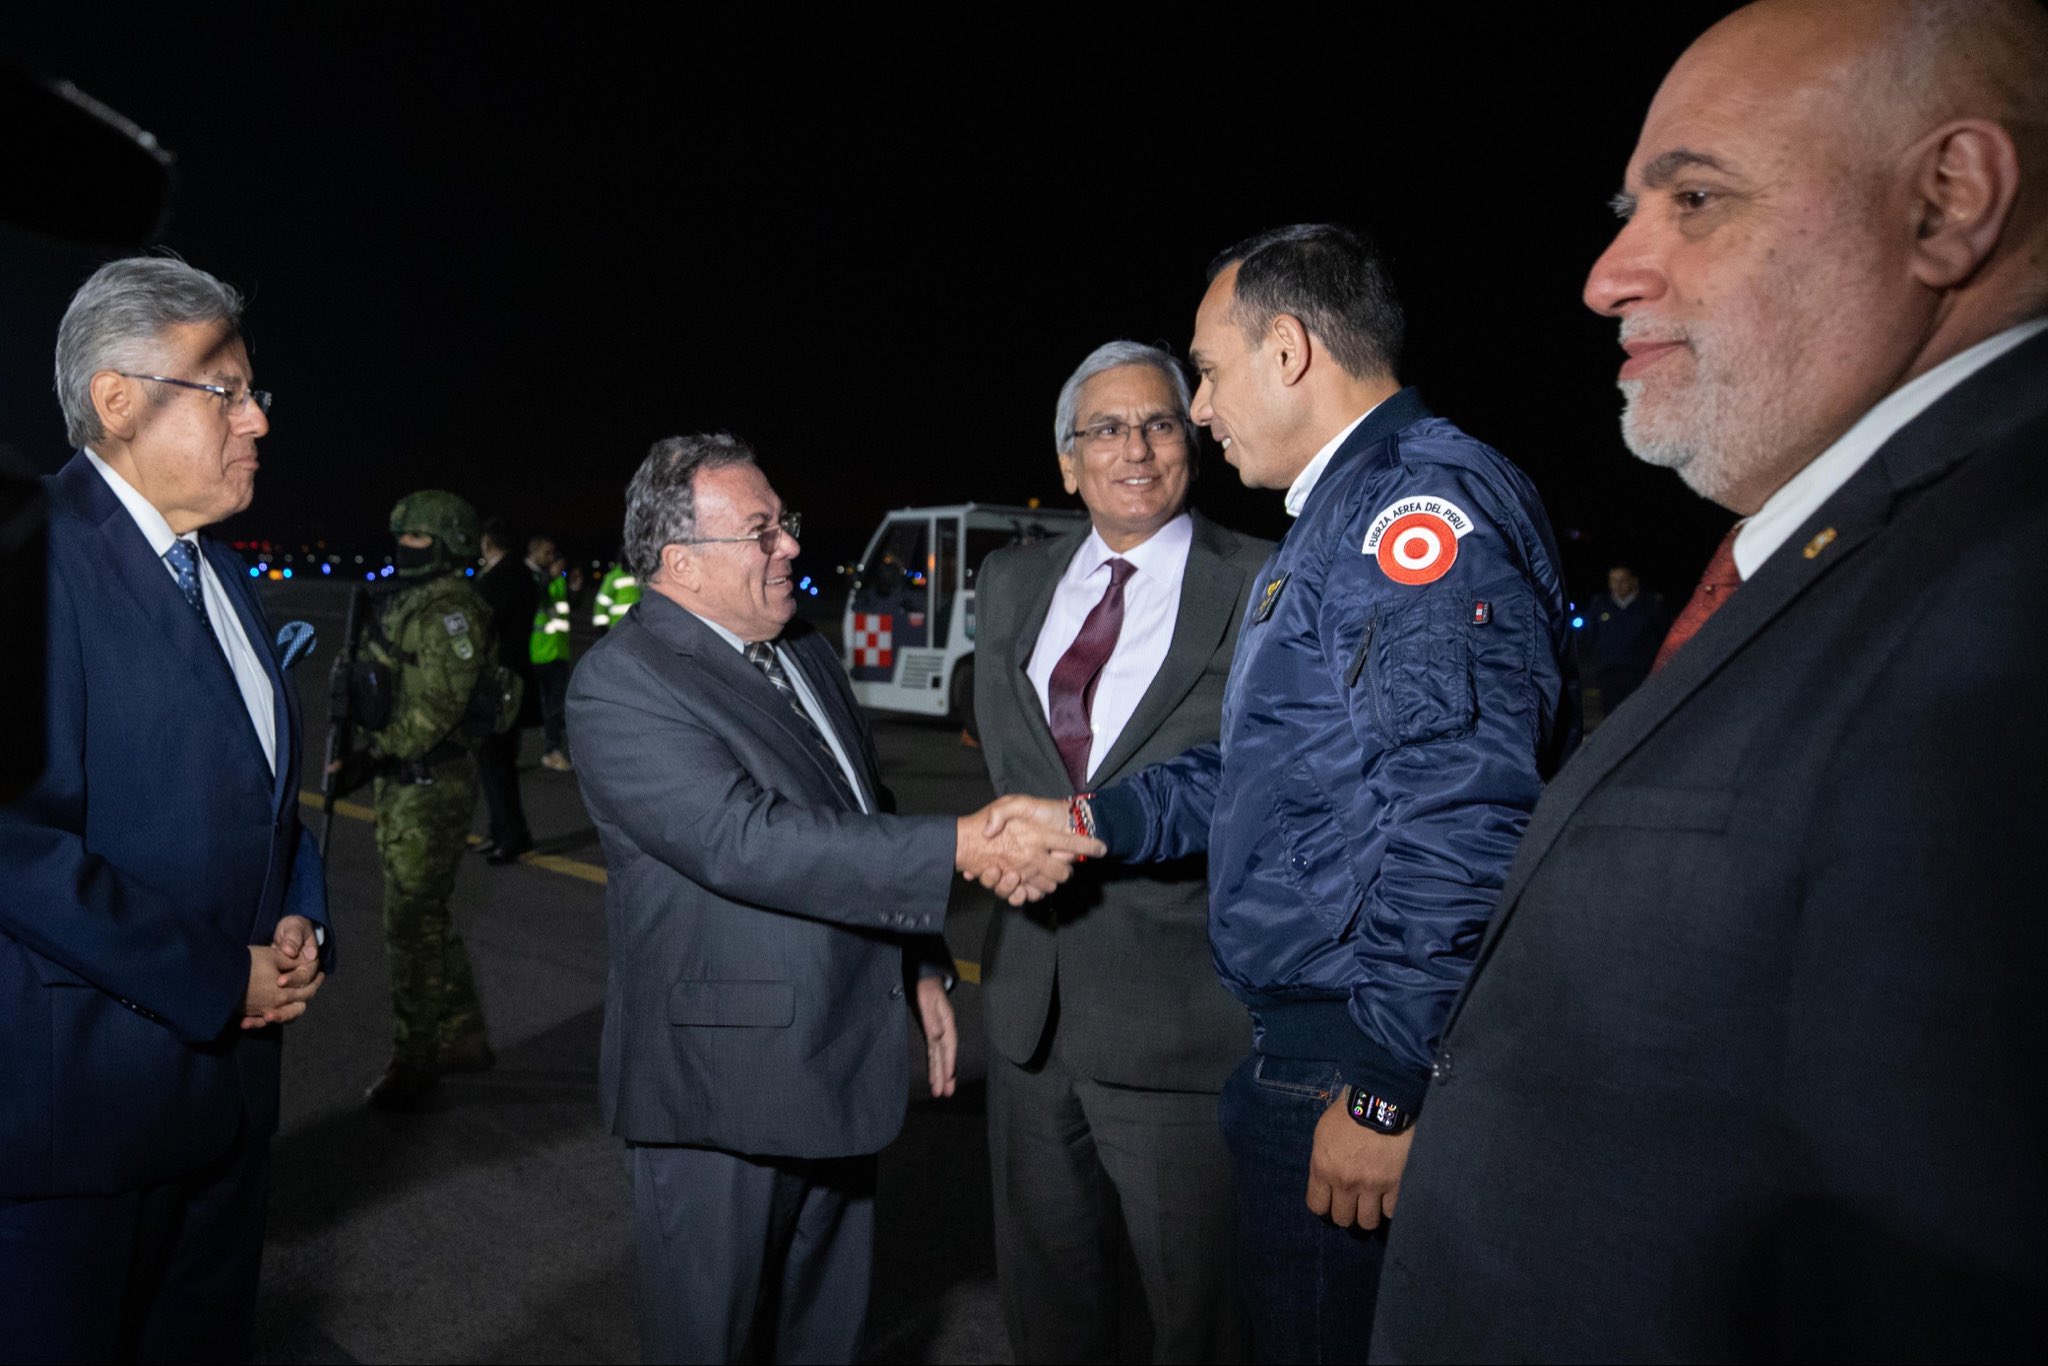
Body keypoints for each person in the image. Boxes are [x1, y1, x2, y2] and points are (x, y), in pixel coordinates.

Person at [1374, 3, 2048, 1361]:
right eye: (1632, 207)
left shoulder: (2000, 600)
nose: (1609, 275)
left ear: (1948, 201)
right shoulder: (1853, 550)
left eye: (1696, 198)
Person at [991, 225, 1578, 1361]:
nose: (1199, 412)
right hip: (1316, 1042)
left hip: (1345, 1053)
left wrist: (1381, 1085)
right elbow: (1263, 772)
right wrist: (1089, 817)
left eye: (1203, 376)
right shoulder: (1336, 519)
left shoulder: (1407, 513)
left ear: (1290, 350)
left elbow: (1460, 816)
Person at [566, 432, 1102, 1363]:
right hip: (720, 1096)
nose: (791, 548)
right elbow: (747, 839)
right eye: (763, 532)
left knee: (824, 1338)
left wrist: (918, 959)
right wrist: (967, 843)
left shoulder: (800, 649)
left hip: (836, 1063)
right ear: (679, 561)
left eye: (788, 524)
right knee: (712, 1341)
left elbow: (860, 807)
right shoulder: (623, 684)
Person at [0, 256, 332, 1360]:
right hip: (82, 1130)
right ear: (118, 399)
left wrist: (299, 910)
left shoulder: (223, 573)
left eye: (256, 392)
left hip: (228, 1117)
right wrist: (209, 973)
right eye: (226, 390)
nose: (259, 420)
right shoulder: (33, 561)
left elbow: (266, 796)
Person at [974, 340, 1269, 1363]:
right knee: (1048, 1315)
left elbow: (1268, 780)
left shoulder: (1263, 584)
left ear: (1191, 442)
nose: (1134, 448)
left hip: (1180, 1030)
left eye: (1158, 423)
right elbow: (1009, 770)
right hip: (1025, 1022)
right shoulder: (1008, 583)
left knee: (1202, 1324)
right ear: (1067, 461)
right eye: (1104, 428)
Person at [347, 491, 498, 1109]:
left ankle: (416, 1059)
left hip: (430, 782)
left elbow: (440, 705)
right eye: (403, 538)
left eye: (419, 540)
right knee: (426, 917)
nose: (406, 549)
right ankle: (462, 1038)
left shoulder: (453, 611)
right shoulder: (408, 601)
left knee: (408, 926)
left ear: (447, 544)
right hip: (404, 779)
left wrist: (378, 751)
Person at [472, 516, 537, 863]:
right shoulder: (522, 574)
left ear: (489, 543)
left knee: (494, 762)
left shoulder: (499, 579)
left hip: (498, 685)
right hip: (515, 680)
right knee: (499, 763)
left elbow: (481, 626)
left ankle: (510, 835)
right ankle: (502, 830)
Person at [1576, 562, 1667, 715]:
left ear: (1633, 581)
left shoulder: (1650, 605)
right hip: (1609, 673)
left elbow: (1661, 635)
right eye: (1613, 580)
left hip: (1640, 673)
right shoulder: (1600, 605)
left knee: (1640, 716)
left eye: (1622, 580)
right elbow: (1591, 636)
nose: (1617, 585)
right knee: (1612, 718)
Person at [526, 533, 574, 772]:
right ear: (534, 551)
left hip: (556, 651)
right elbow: (532, 599)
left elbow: (565, 607)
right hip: (533, 653)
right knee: (521, 707)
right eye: (547, 552)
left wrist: (575, 588)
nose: (552, 557)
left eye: (553, 553)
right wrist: (548, 577)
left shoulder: (555, 578)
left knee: (555, 705)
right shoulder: (528, 576)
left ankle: (552, 750)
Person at [591, 553, 640, 629]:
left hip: (634, 628)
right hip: (617, 627)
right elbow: (602, 602)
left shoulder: (639, 577)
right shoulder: (613, 577)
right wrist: (602, 626)